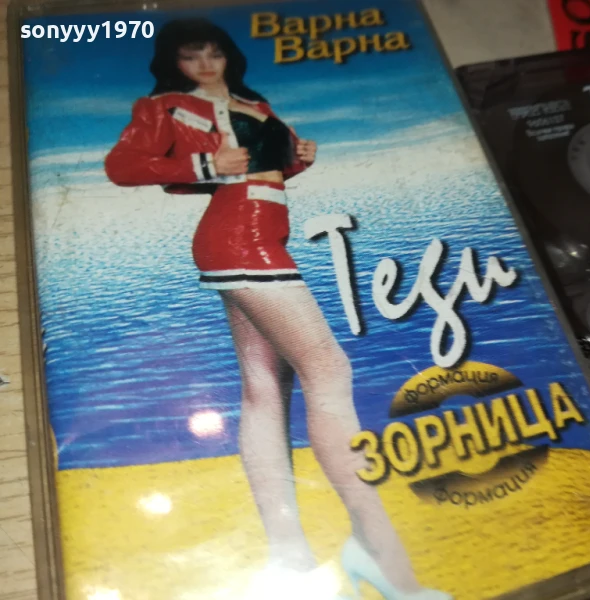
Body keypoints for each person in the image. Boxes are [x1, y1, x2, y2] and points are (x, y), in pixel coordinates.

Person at [104, 18, 450, 600]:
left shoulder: (254, 104)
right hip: (238, 239)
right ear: (174, 62)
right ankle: (380, 550)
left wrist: (298, 157)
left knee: (265, 388)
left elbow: (270, 164)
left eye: (214, 52)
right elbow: (123, 165)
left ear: (228, 56)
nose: (205, 64)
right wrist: (204, 167)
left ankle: (288, 553)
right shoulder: (165, 107)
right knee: (329, 370)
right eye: (191, 56)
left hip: (263, 232)